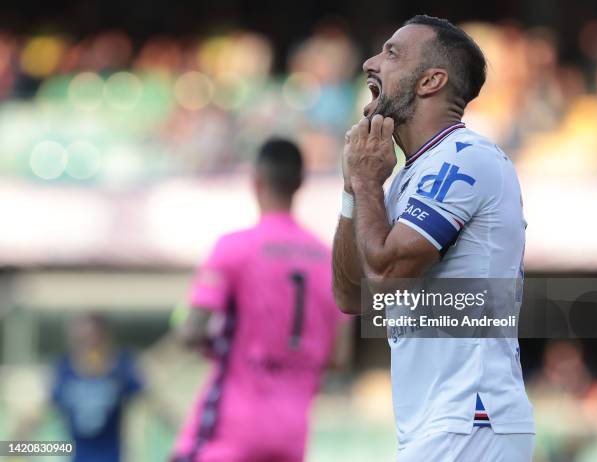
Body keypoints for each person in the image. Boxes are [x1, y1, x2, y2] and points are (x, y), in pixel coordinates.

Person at [332, 14, 535, 461]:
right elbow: (353, 297)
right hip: (439, 425)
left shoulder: (465, 159)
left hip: (472, 418)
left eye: (391, 53)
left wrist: (367, 184)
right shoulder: (410, 177)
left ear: (431, 81)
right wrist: (353, 191)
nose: (370, 63)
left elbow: (387, 280)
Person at [173, 138, 350, 462]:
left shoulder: (234, 248)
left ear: (256, 181)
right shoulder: (330, 261)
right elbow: (339, 357)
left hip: (229, 432)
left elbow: (191, 331)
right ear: (300, 183)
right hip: (291, 436)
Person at [51, 313, 144, 462]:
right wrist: (12, 447)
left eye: (93, 339)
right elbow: (36, 415)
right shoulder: (64, 372)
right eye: (82, 340)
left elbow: (155, 404)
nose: (88, 346)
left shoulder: (121, 370)